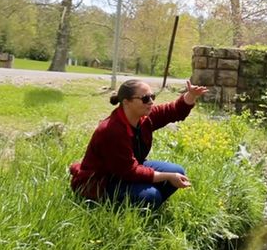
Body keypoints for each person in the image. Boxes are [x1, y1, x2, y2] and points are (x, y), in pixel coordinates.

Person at [69, 79, 209, 209]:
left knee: (177, 171)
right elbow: (129, 171)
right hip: (102, 182)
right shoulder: (112, 130)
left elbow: (172, 111)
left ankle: (147, 204)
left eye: (152, 97)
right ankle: (127, 207)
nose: (151, 102)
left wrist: (191, 95)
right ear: (126, 102)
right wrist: (167, 176)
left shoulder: (143, 117)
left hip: (126, 171)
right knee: (151, 196)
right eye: (145, 98)